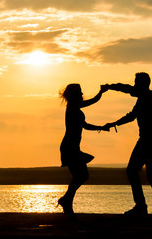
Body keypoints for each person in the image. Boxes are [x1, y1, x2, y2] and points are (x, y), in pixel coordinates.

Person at [104, 72, 152, 216]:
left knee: (133, 171)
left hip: (149, 140)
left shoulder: (147, 97)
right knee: (150, 174)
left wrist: (110, 87)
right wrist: (115, 123)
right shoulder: (145, 97)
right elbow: (131, 112)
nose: (134, 85)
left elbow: (129, 97)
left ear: (142, 84)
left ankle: (143, 206)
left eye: (136, 83)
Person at [58, 83, 109, 217]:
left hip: (72, 147)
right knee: (81, 176)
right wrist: (101, 92)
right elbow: (92, 102)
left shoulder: (74, 107)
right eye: (80, 92)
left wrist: (101, 128)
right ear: (74, 94)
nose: (82, 94)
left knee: (80, 176)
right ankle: (66, 200)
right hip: (69, 147)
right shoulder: (73, 107)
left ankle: (67, 200)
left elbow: (85, 125)